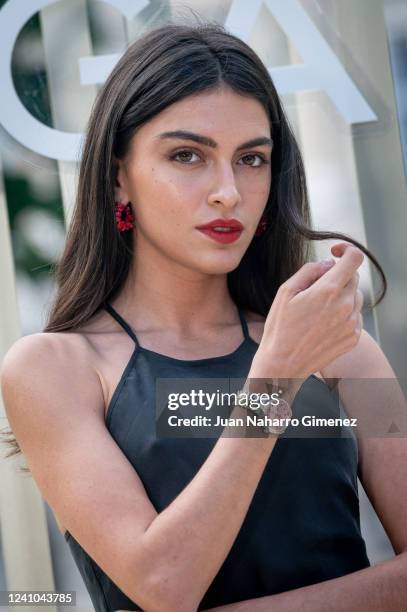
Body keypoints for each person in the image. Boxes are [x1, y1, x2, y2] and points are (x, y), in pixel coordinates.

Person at [1, 21, 407, 612]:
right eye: (187, 155)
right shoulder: (53, 368)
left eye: (251, 158)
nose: (227, 191)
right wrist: (278, 376)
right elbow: (165, 586)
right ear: (119, 175)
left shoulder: (345, 351)